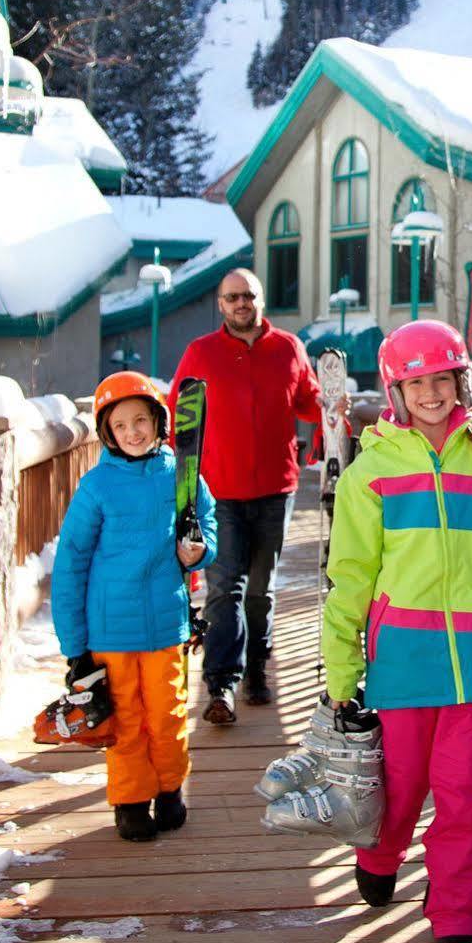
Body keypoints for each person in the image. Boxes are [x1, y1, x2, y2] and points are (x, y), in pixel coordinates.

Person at [319, 321, 472, 943]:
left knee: (469, 797)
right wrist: (341, 674)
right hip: (401, 660)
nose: (431, 393)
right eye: (416, 381)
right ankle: (380, 854)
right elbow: (349, 578)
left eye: (442, 379)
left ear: (461, 380)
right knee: (400, 788)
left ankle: (455, 918)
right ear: (396, 389)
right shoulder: (371, 471)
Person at [52, 371, 218, 842]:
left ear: (158, 422)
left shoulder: (180, 474)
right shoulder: (97, 487)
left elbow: (206, 521)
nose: (132, 432)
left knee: (168, 714)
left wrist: (199, 549)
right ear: (107, 433)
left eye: (140, 420)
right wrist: (75, 645)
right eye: (120, 425)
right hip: (111, 631)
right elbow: (70, 566)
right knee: (126, 721)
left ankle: (169, 789)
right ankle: (129, 800)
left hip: (167, 622)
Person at [170, 267, 340, 723]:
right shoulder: (200, 353)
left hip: (275, 488)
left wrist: (329, 405)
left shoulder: (288, 347)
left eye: (248, 295)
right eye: (232, 298)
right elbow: (179, 417)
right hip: (218, 490)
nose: (241, 303)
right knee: (225, 585)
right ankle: (221, 683)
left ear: (260, 300)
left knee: (261, 589)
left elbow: (306, 400)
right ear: (220, 306)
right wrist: (179, 479)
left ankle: (258, 669)